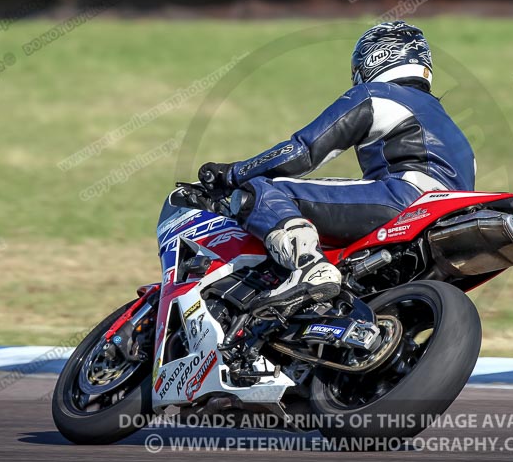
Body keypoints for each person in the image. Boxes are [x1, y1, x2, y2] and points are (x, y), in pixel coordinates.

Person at [198, 21, 475, 317]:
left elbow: (302, 152)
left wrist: (233, 173)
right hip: (448, 219)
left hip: (405, 199)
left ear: (375, 58)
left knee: (264, 190)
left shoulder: (377, 94)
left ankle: (309, 267)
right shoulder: (453, 128)